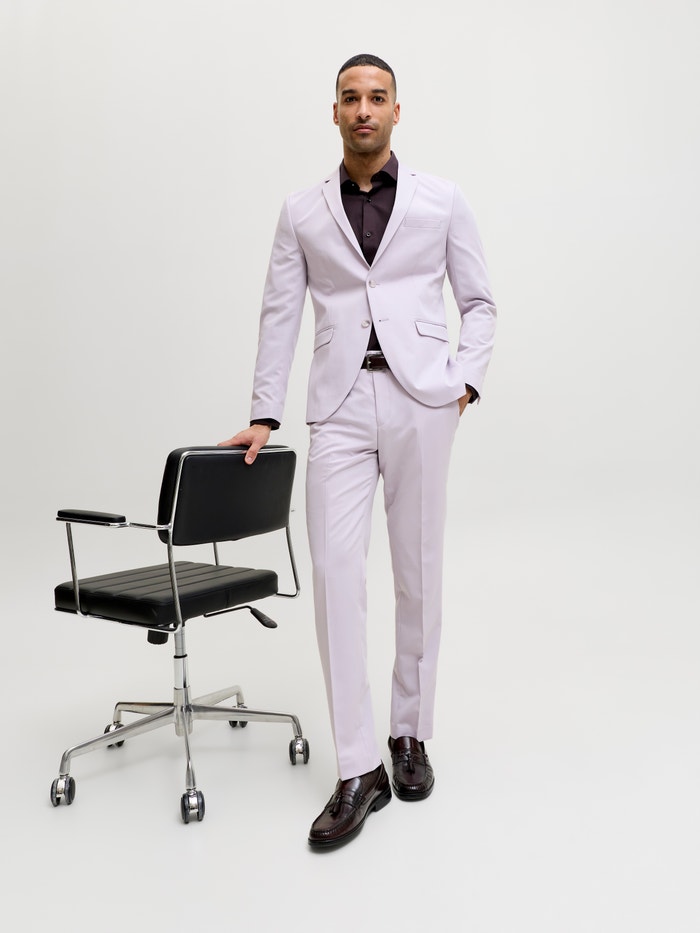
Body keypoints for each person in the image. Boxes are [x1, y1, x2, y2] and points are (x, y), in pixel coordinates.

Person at [219, 53, 496, 848]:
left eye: (377, 97)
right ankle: (357, 767)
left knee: (417, 569)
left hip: (421, 400)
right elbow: (280, 312)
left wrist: (463, 384)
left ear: (396, 111)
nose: (364, 109)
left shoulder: (442, 200)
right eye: (351, 98)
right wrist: (264, 413)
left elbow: (480, 301)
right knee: (337, 575)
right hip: (336, 406)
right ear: (335, 111)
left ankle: (409, 734)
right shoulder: (301, 211)